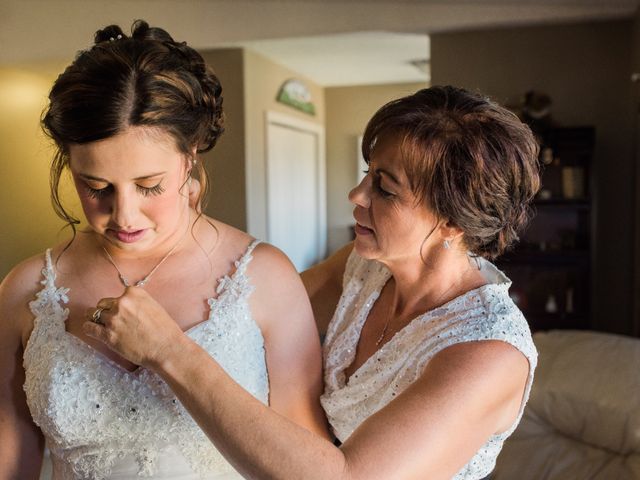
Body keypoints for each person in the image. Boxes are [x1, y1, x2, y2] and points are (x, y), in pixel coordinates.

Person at [83, 85, 542, 479]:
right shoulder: (363, 270)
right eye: (368, 174)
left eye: (385, 188)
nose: (356, 196)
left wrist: (169, 352)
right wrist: (171, 218)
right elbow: (242, 317)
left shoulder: (487, 353)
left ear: (452, 221)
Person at [0, 21, 328, 479]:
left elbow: (310, 469)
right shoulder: (24, 289)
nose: (124, 215)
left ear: (190, 156)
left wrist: (169, 350)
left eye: (149, 186)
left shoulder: (265, 278)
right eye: (96, 187)